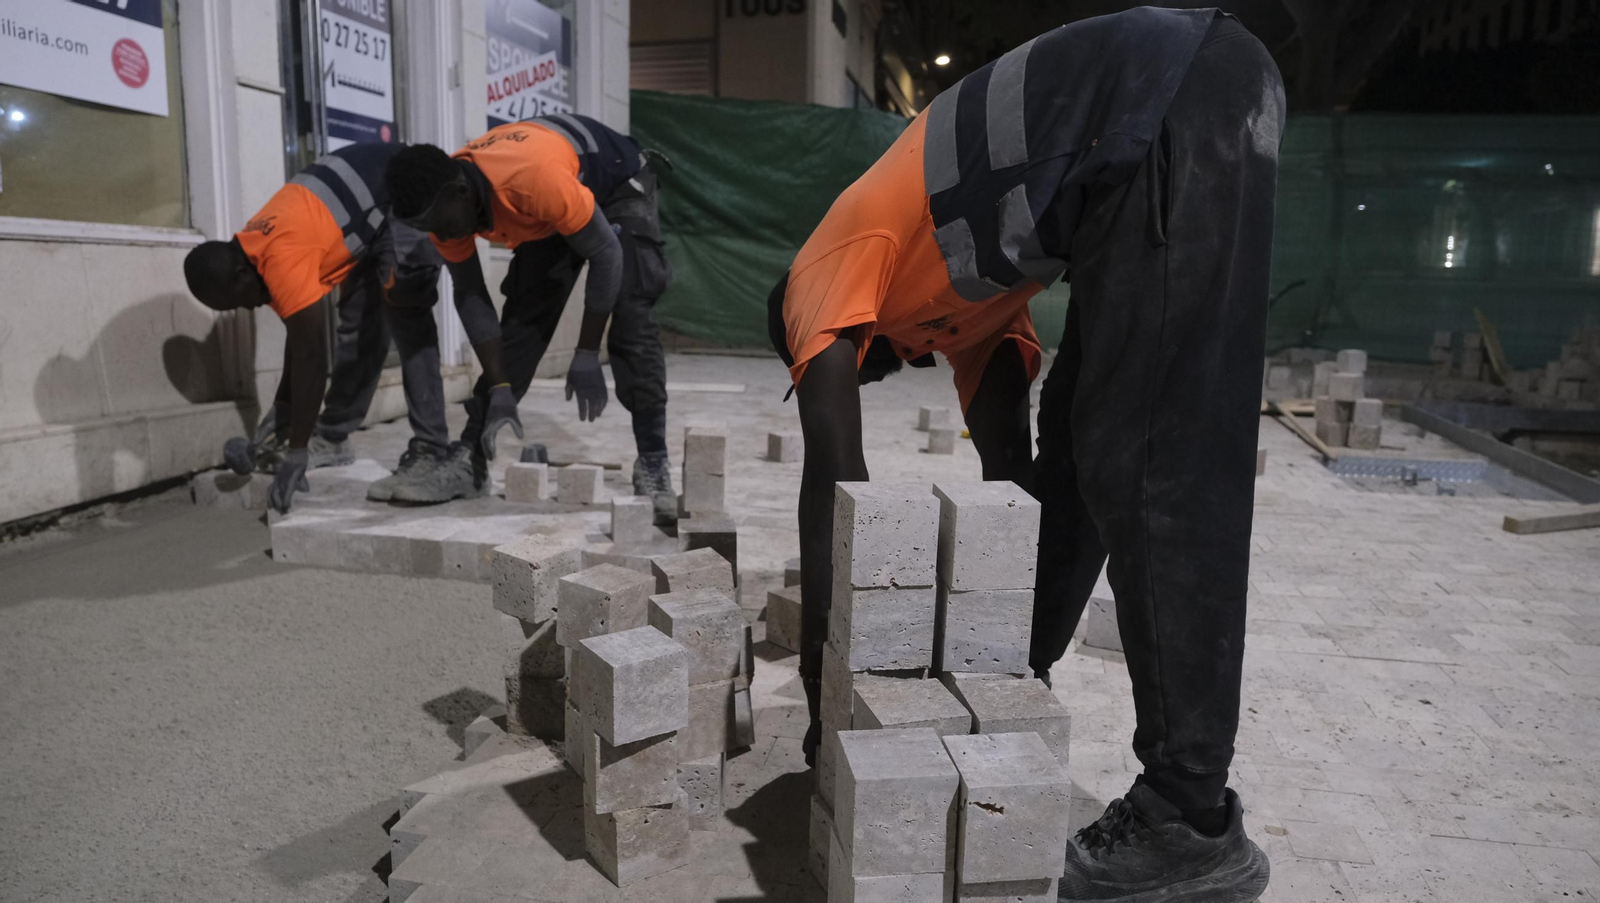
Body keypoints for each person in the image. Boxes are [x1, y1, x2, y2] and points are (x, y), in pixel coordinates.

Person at [772, 9, 1284, 901]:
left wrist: (827, 699)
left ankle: (1188, 816)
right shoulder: (964, 302)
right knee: (1092, 446)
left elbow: (835, 493)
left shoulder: (825, 262)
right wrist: (998, 678)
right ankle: (1145, 767)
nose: (866, 369)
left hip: (1163, 102)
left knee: (1157, 453)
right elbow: (1016, 484)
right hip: (1157, 123)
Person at [383, 113, 678, 523]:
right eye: (427, 229)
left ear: (462, 193)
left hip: (615, 185)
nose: (442, 237)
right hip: (551, 206)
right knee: (522, 322)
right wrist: (501, 385)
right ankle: (471, 460)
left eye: (441, 225)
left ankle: (653, 461)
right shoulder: (442, 204)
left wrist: (588, 353)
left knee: (631, 316)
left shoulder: (530, 180)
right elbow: (470, 295)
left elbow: (606, 254)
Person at [185, 142, 471, 513]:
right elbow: (299, 334)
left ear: (240, 275)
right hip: (368, 213)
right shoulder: (252, 255)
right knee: (358, 327)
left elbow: (311, 355)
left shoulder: (279, 258)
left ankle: (432, 451)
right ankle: (334, 437)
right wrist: (285, 406)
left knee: (408, 315)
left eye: (240, 301)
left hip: (405, 194)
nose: (250, 306)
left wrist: (297, 451)